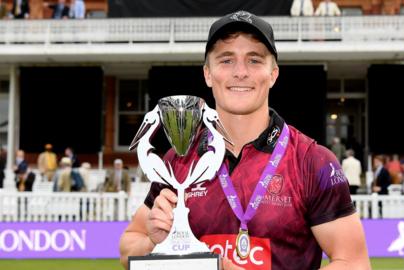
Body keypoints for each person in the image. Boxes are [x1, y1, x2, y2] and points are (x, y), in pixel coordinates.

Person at [119, 11, 370, 270]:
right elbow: (128, 249)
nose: (240, 72)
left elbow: (355, 263)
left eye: (254, 60)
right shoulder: (179, 160)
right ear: (207, 73)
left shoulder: (311, 160)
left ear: (273, 74)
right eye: (226, 60)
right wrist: (153, 241)